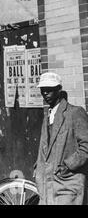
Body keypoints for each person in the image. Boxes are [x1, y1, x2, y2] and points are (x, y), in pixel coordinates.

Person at [34, 72, 88, 205]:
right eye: (43, 90)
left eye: (49, 90)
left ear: (59, 90)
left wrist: (68, 166)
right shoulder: (47, 114)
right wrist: (38, 168)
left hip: (67, 183)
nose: (45, 93)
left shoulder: (75, 113)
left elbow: (86, 146)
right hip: (47, 184)